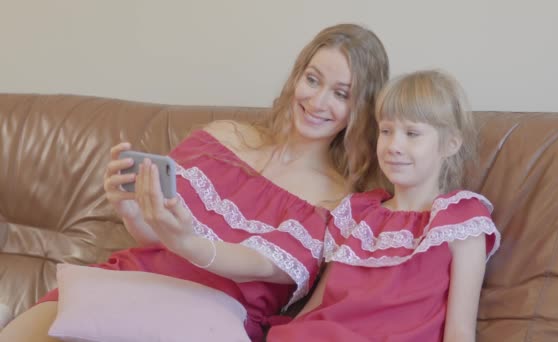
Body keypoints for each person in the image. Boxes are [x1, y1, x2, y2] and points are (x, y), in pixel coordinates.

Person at [0, 23, 389, 342]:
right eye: (313, 79)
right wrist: (131, 209)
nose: (318, 101)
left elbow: (263, 267)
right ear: (297, 77)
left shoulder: (338, 201)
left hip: (205, 322)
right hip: (125, 285)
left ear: (361, 110)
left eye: (341, 94)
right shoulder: (223, 137)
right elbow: (153, 240)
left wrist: (190, 243)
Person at [267, 70, 501, 341]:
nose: (393, 146)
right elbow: (316, 309)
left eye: (412, 133)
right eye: (386, 131)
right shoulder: (357, 214)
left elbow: (460, 331)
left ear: (450, 144)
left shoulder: (461, 220)